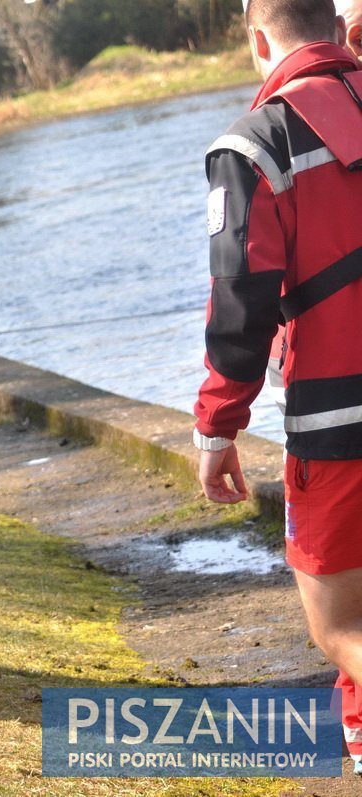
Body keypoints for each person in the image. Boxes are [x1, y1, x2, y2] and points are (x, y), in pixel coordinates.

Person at [194, 0, 362, 773]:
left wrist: (216, 426)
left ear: (257, 39)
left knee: (339, 626)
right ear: (337, 26)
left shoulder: (255, 144)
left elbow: (241, 300)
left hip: (336, 425)